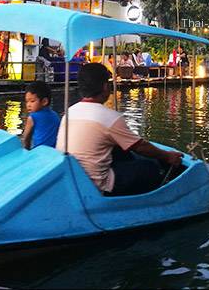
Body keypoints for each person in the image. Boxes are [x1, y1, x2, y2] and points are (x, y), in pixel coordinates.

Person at [57, 63, 182, 196]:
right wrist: (167, 156)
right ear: (105, 86)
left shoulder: (69, 112)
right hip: (98, 184)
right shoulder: (109, 117)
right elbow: (140, 147)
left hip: (73, 179)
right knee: (149, 168)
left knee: (119, 150)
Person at [21, 81, 61, 149]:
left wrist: (27, 151)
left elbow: (26, 138)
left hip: (39, 152)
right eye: (27, 101)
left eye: (32, 101)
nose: (28, 105)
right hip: (54, 152)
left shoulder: (32, 117)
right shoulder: (55, 115)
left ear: (44, 101)